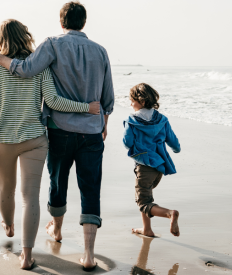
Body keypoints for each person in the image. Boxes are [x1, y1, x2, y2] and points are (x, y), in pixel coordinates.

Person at [0, 1, 114, 271]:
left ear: (61, 22)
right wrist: (101, 120)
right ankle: (86, 254)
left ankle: (42, 227)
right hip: (82, 132)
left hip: (53, 131)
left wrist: (3, 59)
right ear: (83, 22)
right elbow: (106, 97)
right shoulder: (100, 51)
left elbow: (26, 70)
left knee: (51, 183)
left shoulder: (50, 47)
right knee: (88, 188)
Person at [123, 83, 181, 238]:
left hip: (144, 165)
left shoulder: (132, 120)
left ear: (141, 101)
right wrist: (176, 150)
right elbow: (174, 142)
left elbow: (127, 142)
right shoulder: (161, 119)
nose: (131, 104)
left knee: (143, 202)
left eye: (132, 100)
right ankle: (146, 229)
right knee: (146, 196)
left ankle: (170, 213)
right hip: (160, 165)